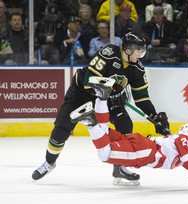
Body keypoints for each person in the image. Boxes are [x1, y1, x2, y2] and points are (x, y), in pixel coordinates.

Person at [32, 32, 170, 186]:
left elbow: (142, 98)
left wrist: (154, 117)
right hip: (82, 93)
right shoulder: (109, 53)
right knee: (61, 130)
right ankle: (49, 163)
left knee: (125, 124)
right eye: (138, 50)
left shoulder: (137, 68)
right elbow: (88, 80)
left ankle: (120, 167)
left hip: (107, 99)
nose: (140, 54)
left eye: (141, 50)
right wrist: (109, 93)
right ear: (128, 49)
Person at [69, 76, 188, 185]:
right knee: (104, 154)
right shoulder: (185, 139)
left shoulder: (180, 144)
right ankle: (92, 118)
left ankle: (101, 97)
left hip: (143, 148)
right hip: (145, 151)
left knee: (104, 131)